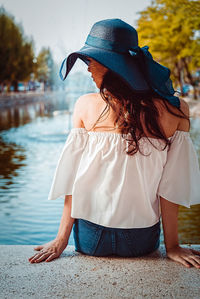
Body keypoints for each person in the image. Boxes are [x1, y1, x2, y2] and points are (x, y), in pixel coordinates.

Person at [28, 18, 200, 268]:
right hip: (141, 240)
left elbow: (73, 181)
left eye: (92, 60)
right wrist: (172, 246)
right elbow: (170, 187)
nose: (87, 68)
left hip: (89, 239)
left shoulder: (85, 106)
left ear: (113, 65)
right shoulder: (175, 111)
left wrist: (61, 240)